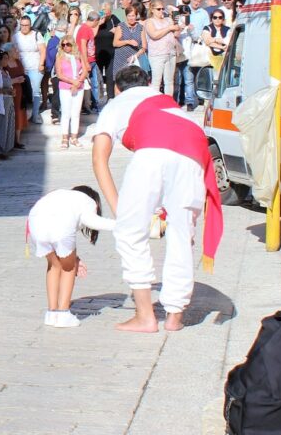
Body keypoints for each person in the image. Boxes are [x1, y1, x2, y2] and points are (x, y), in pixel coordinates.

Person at [91, 66, 223, 333]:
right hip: (195, 153)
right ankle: (174, 316)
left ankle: (145, 316)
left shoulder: (116, 105)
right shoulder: (166, 101)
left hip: (153, 150)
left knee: (130, 234)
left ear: (117, 88)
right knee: (181, 233)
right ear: (149, 82)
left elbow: (99, 158)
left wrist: (120, 210)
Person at [26, 186, 113, 328]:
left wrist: (75, 257)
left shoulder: (62, 195)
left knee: (54, 266)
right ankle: (63, 314)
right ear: (96, 203)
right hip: (58, 227)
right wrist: (120, 225)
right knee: (69, 267)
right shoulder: (88, 202)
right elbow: (93, 221)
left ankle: (51, 313)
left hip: (35, 223)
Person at [54, 32, 87, 148]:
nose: (65, 47)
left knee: (76, 113)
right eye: (63, 45)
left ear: (72, 45)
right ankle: (64, 138)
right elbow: (59, 74)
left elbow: (85, 70)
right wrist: (73, 82)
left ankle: (74, 137)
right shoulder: (59, 57)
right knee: (66, 113)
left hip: (79, 86)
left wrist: (78, 82)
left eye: (68, 44)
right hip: (65, 87)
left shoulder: (79, 55)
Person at [144, 0, 181, 94]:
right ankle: (154, 104)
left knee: (169, 81)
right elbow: (154, 35)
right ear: (152, 10)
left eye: (162, 8)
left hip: (170, 53)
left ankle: (168, 103)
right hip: (157, 55)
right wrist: (169, 28)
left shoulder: (168, 20)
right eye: (158, 9)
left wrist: (176, 24)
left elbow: (176, 34)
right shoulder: (149, 22)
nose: (161, 11)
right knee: (156, 81)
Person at [14, 14, 46, 124]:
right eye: (22, 25)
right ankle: (24, 114)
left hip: (34, 67)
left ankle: (35, 114)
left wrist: (41, 64)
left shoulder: (37, 35)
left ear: (30, 25)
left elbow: (42, 50)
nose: (24, 27)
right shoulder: (16, 36)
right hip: (21, 68)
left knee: (35, 90)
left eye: (26, 25)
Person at [76, 10, 102, 113]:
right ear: (95, 20)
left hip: (92, 60)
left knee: (95, 83)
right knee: (93, 84)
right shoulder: (84, 29)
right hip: (87, 61)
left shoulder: (89, 29)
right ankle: (92, 105)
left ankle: (93, 105)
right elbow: (82, 46)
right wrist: (86, 63)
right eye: (97, 22)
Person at [112, 5, 146, 76]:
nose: (131, 18)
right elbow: (115, 43)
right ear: (126, 16)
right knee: (120, 81)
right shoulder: (121, 26)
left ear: (136, 16)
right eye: (129, 16)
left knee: (133, 81)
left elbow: (144, 47)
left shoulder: (140, 27)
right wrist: (128, 41)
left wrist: (135, 57)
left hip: (135, 59)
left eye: (133, 16)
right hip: (121, 59)